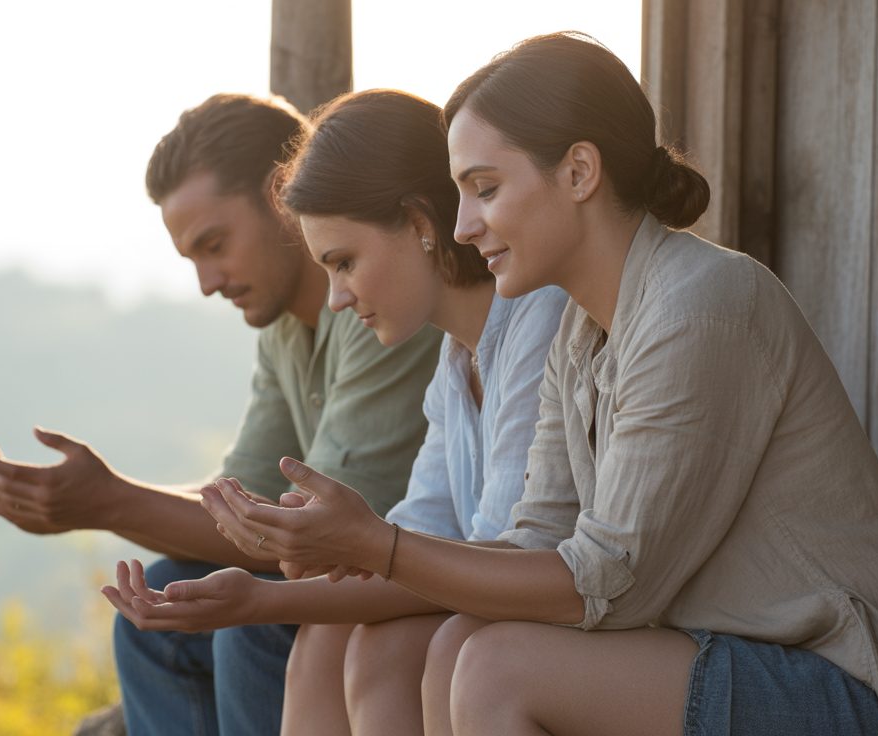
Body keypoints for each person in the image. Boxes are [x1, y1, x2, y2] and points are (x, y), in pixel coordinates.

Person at [197, 33, 878, 736]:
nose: (463, 225)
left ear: (578, 171)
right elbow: (532, 542)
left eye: (486, 187)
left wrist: (378, 546)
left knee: (499, 667)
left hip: (860, 694)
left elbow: (607, 586)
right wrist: (337, 560)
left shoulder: (699, 305)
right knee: (464, 642)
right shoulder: (582, 331)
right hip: (735, 660)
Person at [0, 93, 442, 736]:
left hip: (401, 583)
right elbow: (236, 502)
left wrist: (106, 503)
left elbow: (307, 538)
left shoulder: (381, 310)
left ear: (282, 197)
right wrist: (97, 497)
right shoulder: (284, 330)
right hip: (351, 576)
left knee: (247, 632)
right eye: (192, 258)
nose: (207, 282)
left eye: (215, 245)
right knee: (160, 603)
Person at [101, 88, 567, 736]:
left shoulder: (535, 326)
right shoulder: (456, 365)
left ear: (421, 225)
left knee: (334, 638)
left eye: (345, 263)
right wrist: (279, 575)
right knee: (328, 633)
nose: (339, 298)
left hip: (571, 622)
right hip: (493, 604)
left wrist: (271, 591)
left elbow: (496, 556)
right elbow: (421, 530)